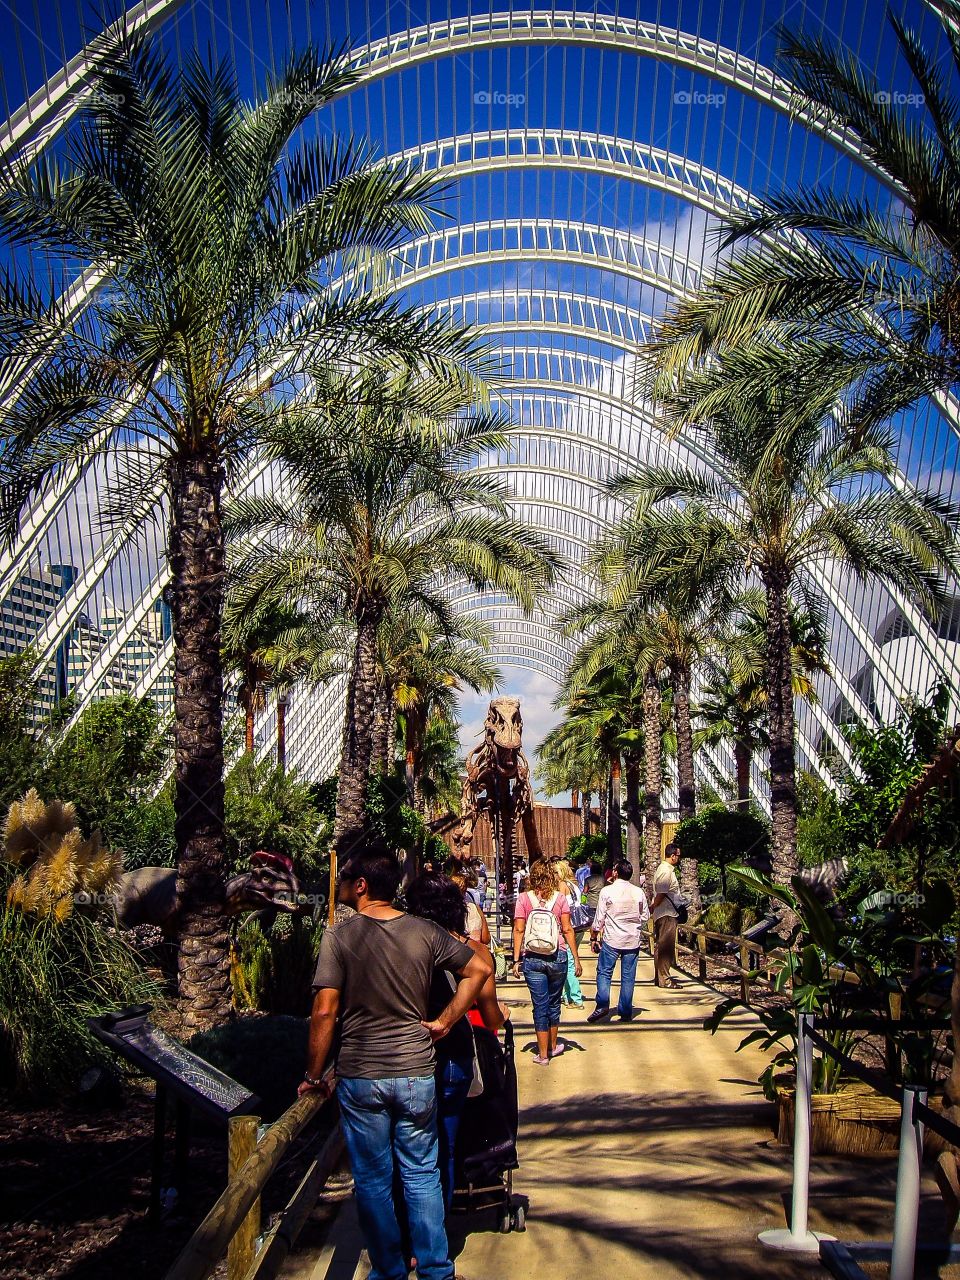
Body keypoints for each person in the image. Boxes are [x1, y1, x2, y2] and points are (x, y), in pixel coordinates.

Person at [301, 838, 492, 1280]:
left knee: (372, 1179)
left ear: (361, 886)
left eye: (346, 878)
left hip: (362, 1074)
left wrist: (313, 1074)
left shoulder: (339, 937)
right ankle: (436, 1269)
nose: (340, 884)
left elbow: (325, 1010)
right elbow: (479, 970)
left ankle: (388, 1269)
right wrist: (444, 1022)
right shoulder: (423, 932)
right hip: (416, 1072)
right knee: (422, 1173)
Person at [404, 873, 507, 1209]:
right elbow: (491, 1019)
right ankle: (438, 1221)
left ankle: (411, 1222)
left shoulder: (403, 949)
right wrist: (501, 1014)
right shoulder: (476, 952)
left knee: (411, 1146)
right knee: (445, 1145)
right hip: (455, 1054)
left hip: (406, 1055)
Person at [512, 858, 582, 1065]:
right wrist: (576, 958)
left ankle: (542, 1055)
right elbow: (567, 929)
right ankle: (552, 1046)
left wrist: (516, 959)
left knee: (539, 1005)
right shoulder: (560, 899)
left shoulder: (524, 899)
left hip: (532, 957)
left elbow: (519, 929)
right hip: (557, 955)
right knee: (553, 1003)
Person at [587, 859, 650, 1022]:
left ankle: (602, 1004)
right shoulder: (638, 892)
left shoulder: (607, 891)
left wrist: (594, 937)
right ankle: (626, 1011)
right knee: (628, 976)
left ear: (615, 872)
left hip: (612, 939)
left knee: (604, 972)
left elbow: (599, 918)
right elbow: (645, 916)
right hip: (632, 940)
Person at [652, 843, 683, 989]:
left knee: (661, 946)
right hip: (667, 914)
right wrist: (653, 906)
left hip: (664, 913)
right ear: (673, 856)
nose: (679, 858)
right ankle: (665, 979)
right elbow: (662, 893)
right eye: (678, 855)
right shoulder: (665, 871)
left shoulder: (664, 869)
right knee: (665, 947)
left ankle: (660, 978)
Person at [554, 858, 585, 1009]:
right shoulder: (574, 885)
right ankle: (567, 996)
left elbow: (559, 906)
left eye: (555, 872)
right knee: (568, 960)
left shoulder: (562, 885)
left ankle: (576, 997)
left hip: (569, 927)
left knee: (570, 963)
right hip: (579, 926)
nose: (553, 875)